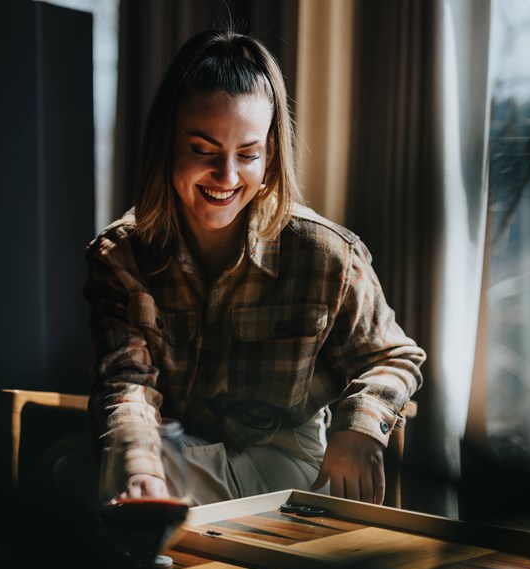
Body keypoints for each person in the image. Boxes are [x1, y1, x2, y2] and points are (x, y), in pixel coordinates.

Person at [84, 28, 425, 507]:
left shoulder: (326, 254)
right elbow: (126, 382)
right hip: (177, 446)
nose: (226, 177)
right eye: (203, 150)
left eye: (247, 155)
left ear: (270, 154)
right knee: (85, 472)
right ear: (167, 146)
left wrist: (361, 427)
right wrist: (139, 463)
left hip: (287, 457)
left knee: (78, 481)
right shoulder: (119, 257)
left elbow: (393, 355)